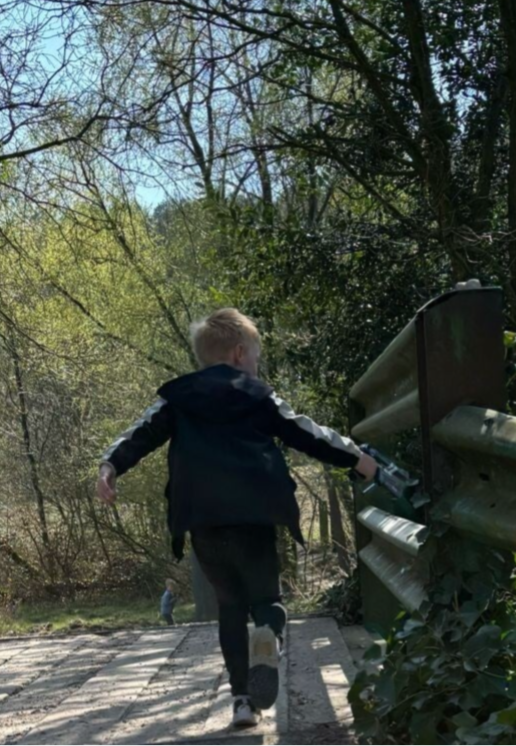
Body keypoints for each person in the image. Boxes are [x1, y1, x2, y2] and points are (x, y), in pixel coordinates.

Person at [96, 308, 378, 730]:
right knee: (266, 600)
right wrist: (358, 460)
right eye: (256, 357)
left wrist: (110, 466)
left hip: (202, 518)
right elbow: (306, 432)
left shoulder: (178, 398)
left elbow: (142, 433)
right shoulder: (256, 393)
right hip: (254, 513)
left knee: (230, 604)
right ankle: (267, 638)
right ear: (240, 353)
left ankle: (242, 702)